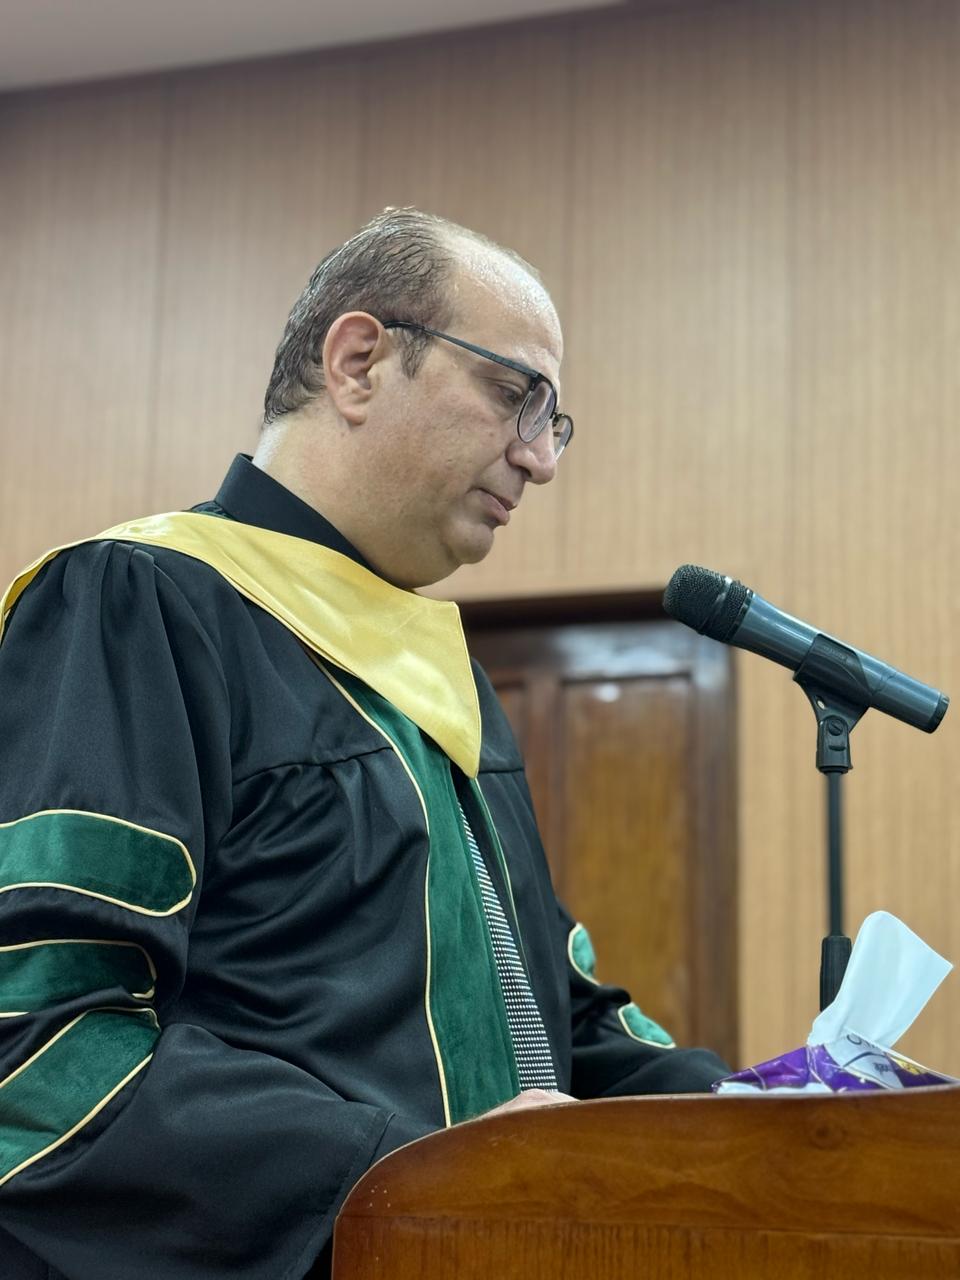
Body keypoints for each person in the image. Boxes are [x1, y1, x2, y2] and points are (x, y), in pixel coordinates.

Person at [0, 209, 729, 1279]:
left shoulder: (442, 685)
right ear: (358, 363)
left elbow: (552, 1028)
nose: (539, 459)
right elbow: (42, 1040)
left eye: (554, 422)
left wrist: (767, 1110)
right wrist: (417, 1178)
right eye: (515, 395)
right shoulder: (139, 606)